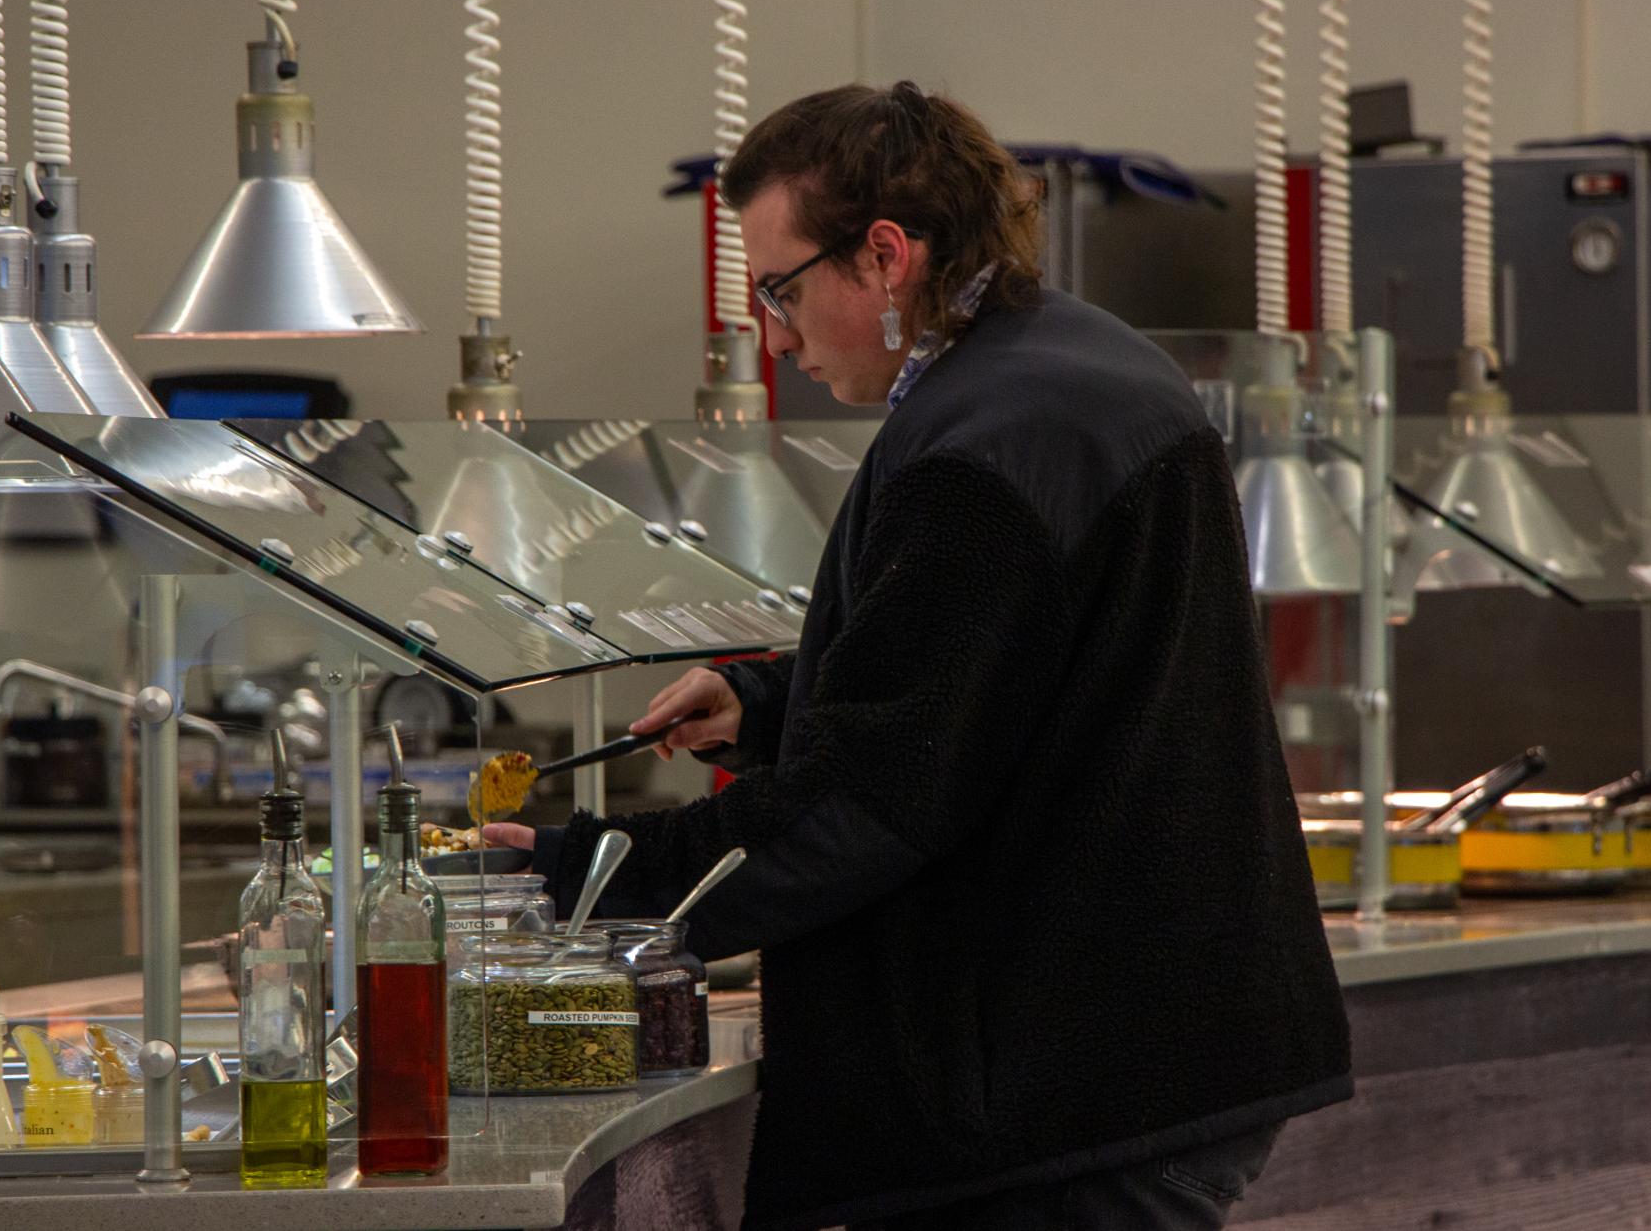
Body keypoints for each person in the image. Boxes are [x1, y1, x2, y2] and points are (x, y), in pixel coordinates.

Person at [482, 81, 1350, 1231]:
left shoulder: (987, 445)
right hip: (1143, 1050)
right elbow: (1010, 684)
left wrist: (579, 878)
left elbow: (872, 805)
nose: (772, 334)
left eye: (779, 289)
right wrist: (767, 700)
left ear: (885, 255)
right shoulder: (1065, 365)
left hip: (1075, 1090)